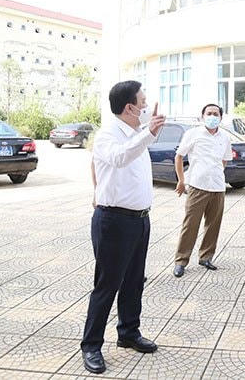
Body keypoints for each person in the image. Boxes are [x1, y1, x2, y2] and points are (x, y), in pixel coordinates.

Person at [81, 81, 165, 374]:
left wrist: (147, 134)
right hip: (114, 221)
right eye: (143, 102)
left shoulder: (136, 134)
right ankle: (91, 345)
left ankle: (128, 332)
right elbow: (118, 158)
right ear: (129, 107)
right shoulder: (109, 135)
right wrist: (148, 133)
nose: (147, 106)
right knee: (107, 285)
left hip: (139, 220)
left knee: (134, 281)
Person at [172, 103, 232, 278]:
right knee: (190, 225)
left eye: (216, 114)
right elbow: (179, 156)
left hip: (218, 187)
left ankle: (206, 257)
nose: (212, 117)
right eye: (209, 113)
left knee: (213, 225)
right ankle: (181, 261)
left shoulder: (225, 137)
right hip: (197, 186)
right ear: (202, 116)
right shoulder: (193, 134)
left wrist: (215, 172)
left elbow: (225, 160)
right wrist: (181, 180)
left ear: (221, 117)